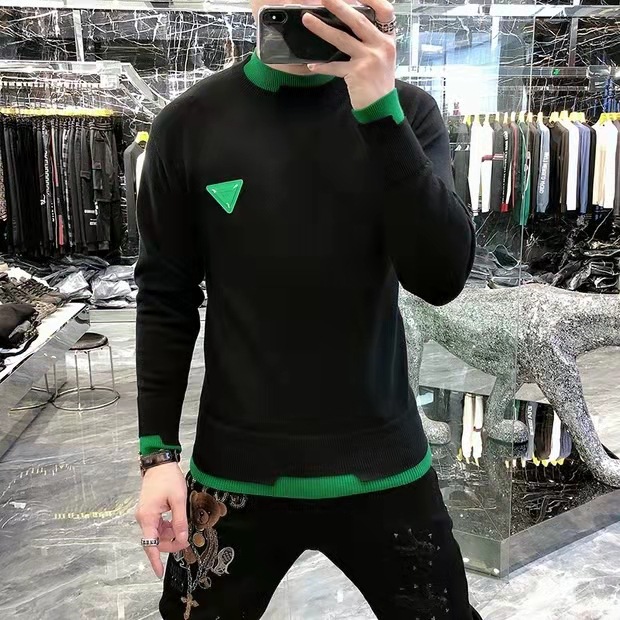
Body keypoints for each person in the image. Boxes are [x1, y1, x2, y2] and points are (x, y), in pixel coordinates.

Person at [134, 0, 480, 617]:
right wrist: (157, 455)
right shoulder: (189, 123)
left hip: (385, 465)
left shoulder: (408, 113)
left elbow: (441, 277)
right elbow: (166, 294)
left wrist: (379, 112)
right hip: (235, 473)